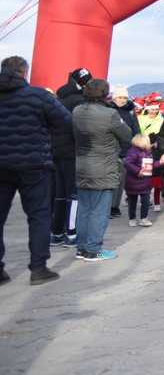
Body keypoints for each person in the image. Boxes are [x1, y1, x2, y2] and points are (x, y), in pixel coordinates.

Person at [0, 55, 72, 284]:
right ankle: (38, 268)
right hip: (35, 164)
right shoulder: (39, 96)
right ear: (24, 72)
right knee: (39, 215)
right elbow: (66, 121)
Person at [72, 77, 132, 263]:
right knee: (99, 211)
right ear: (105, 94)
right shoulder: (110, 114)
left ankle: (82, 247)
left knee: (84, 209)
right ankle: (93, 249)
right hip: (104, 166)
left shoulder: (77, 110)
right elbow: (127, 134)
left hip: (82, 164)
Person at [50, 67, 90, 248]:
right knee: (73, 194)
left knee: (59, 193)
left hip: (55, 150)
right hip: (73, 151)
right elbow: (81, 130)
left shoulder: (59, 98)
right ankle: (71, 232)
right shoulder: (80, 102)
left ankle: (56, 232)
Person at [109, 85, 138, 218]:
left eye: (125, 97)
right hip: (111, 149)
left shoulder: (131, 112)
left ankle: (114, 206)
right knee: (111, 180)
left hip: (126, 150)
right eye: (120, 97)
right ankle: (108, 206)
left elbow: (136, 130)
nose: (122, 100)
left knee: (121, 181)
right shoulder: (109, 110)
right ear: (114, 98)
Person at [122, 133, 156, 227]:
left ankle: (143, 218)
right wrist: (138, 171)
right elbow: (127, 163)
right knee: (132, 202)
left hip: (145, 182)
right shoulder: (133, 151)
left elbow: (151, 165)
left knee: (145, 201)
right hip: (133, 182)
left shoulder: (148, 153)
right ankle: (132, 218)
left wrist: (160, 163)